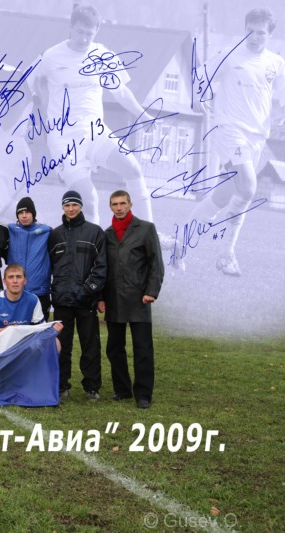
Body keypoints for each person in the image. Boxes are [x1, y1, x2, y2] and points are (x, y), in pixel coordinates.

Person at [30, 3, 157, 226]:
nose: (84, 39)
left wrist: (142, 115)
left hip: (95, 133)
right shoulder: (51, 56)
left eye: (89, 34)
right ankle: (94, 246)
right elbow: (29, 86)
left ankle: (149, 234)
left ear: (97, 31)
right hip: (65, 140)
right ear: (71, 27)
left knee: (133, 170)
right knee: (89, 201)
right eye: (80, 32)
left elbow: (121, 91)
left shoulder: (102, 55)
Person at [186, 7, 285, 276]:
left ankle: (180, 242)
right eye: (249, 31)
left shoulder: (276, 63)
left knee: (223, 196)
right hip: (230, 130)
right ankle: (226, 254)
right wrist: (198, 98)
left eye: (260, 33)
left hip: (257, 137)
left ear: (270, 35)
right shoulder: (230, 55)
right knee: (249, 187)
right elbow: (200, 76)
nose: (254, 37)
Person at [98, 190, 164, 409]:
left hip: (139, 298)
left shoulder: (145, 229)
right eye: (115, 204)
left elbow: (156, 263)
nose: (119, 208)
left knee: (142, 348)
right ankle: (122, 389)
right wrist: (101, 297)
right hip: (114, 299)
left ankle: (143, 394)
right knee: (114, 348)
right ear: (110, 207)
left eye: (122, 203)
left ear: (130, 204)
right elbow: (103, 268)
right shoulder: (106, 234)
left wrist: (151, 291)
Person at [48, 190, 106, 401]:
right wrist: (55, 291)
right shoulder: (55, 235)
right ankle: (62, 385)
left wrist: (87, 290)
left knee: (90, 345)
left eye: (74, 205)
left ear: (81, 206)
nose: (71, 209)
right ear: (63, 207)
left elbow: (101, 267)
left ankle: (92, 387)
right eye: (67, 205)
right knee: (61, 346)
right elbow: (49, 266)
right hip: (62, 301)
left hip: (86, 300)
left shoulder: (95, 232)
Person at [0, 264, 62, 341]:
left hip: (22, 344)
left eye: (19, 277)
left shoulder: (33, 300)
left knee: (55, 342)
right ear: (4, 281)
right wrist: (5, 331)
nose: (15, 281)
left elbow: (41, 329)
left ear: (25, 281)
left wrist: (53, 329)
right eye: (11, 277)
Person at [7, 197, 52, 321]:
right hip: (16, 292)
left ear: (33, 214)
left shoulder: (47, 232)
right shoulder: (9, 230)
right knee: (16, 329)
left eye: (27, 212)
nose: (24, 215)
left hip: (40, 292)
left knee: (40, 329)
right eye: (20, 213)